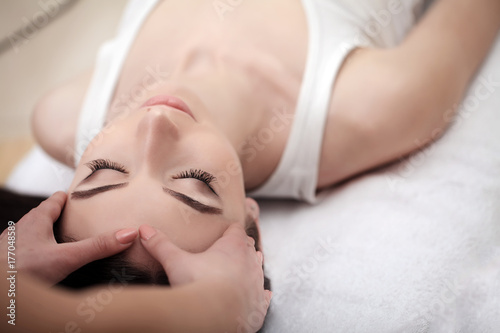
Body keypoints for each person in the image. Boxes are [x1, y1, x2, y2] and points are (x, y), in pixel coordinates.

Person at [2, 0, 500, 331]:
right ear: (250, 219)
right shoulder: (380, 107)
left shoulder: (63, 116)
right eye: (195, 183)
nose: (155, 126)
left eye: (103, 171)